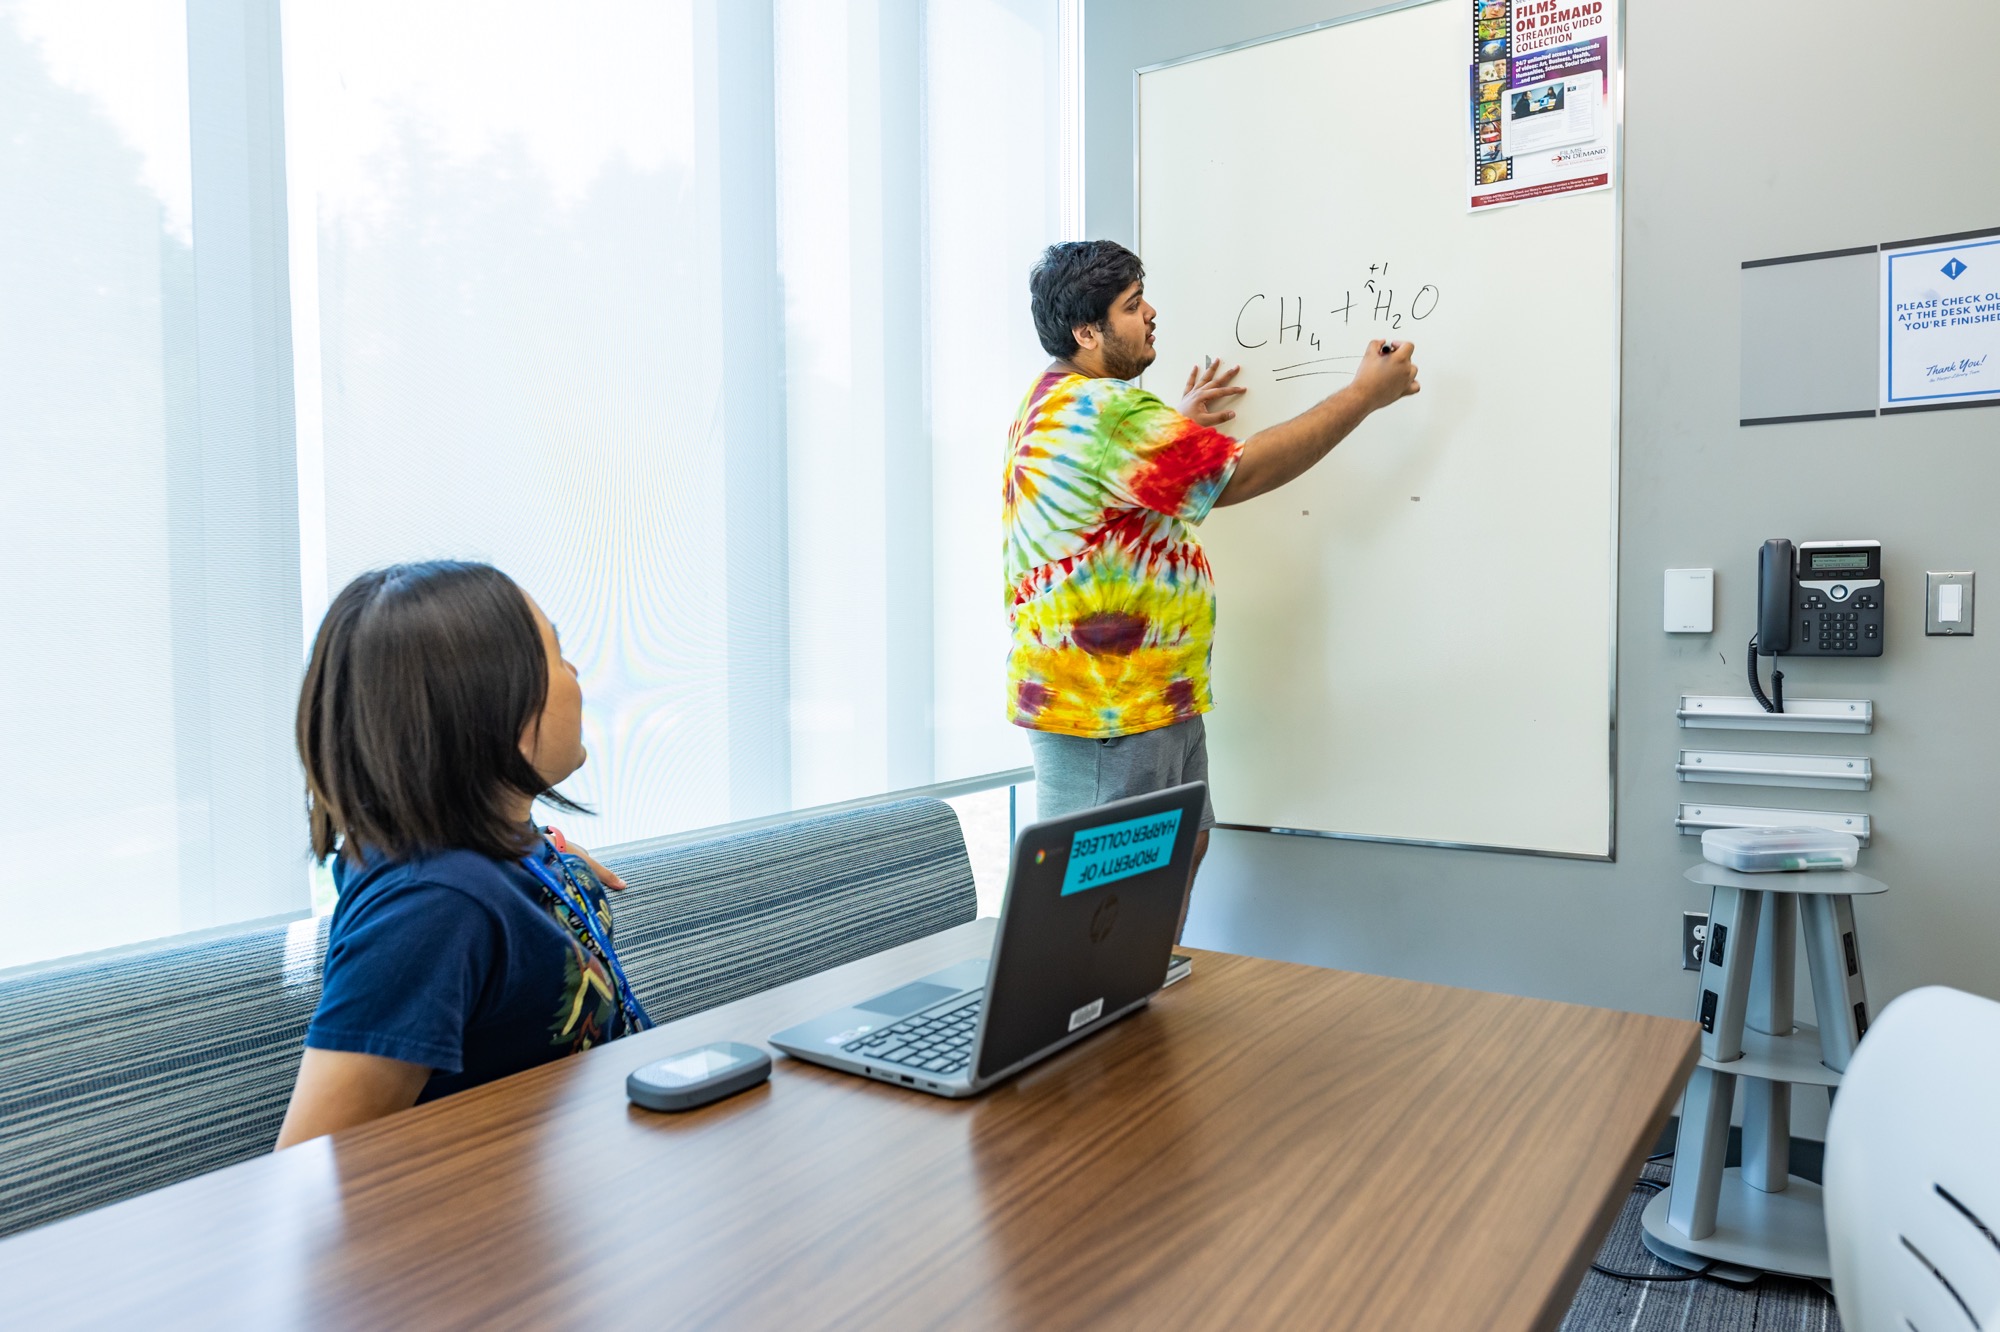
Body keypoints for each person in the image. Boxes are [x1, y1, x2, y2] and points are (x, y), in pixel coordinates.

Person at [1004, 240, 1419, 938]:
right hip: (1103, 710)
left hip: (1155, 694)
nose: (1151, 314)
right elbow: (1241, 477)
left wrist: (1177, 430)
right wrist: (1361, 397)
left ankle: (1140, 996)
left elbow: (1110, 486)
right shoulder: (1108, 416)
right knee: (1097, 906)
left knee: (1181, 848)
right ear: (1086, 332)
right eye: (1133, 307)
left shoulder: (1073, 403)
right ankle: (1100, 1033)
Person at [275, 561, 648, 1148]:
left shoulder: (485, 863)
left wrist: (530, 855)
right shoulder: (432, 905)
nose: (576, 673)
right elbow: (312, 1164)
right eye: (556, 654)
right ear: (485, 703)